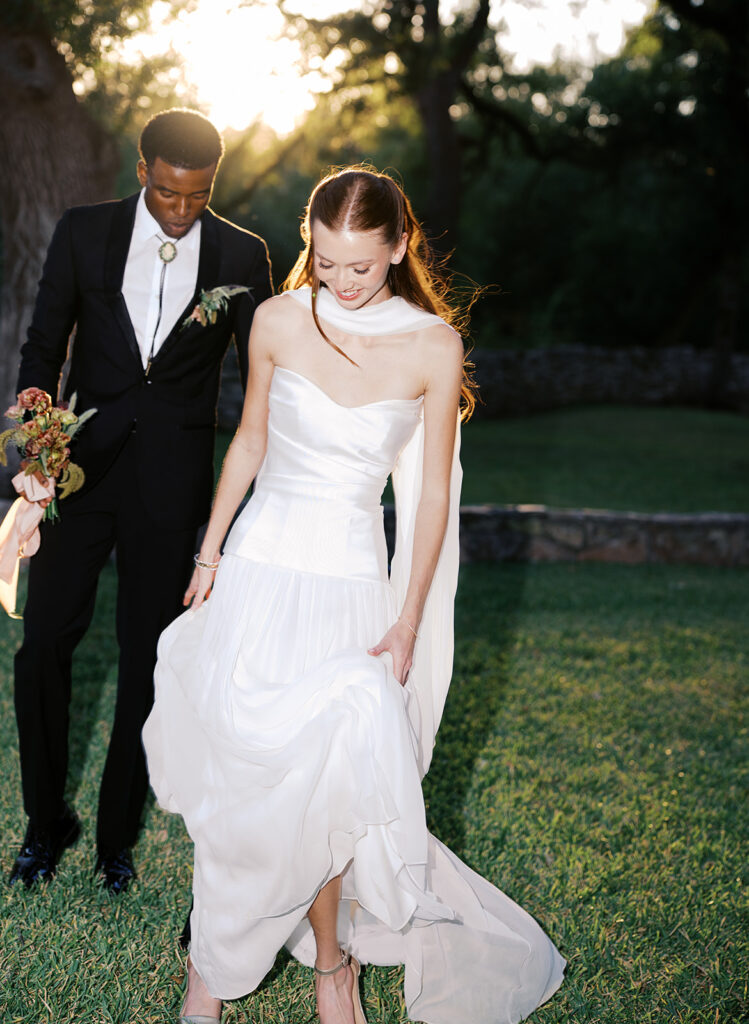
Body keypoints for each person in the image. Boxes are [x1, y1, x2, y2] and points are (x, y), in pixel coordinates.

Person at [143, 167, 564, 1024]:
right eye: (325, 261)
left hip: (349, 587)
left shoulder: (432, 345)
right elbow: (252, 439)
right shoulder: (274, 321)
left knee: (330, 782)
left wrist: (407, 618)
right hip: (260, 569)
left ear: (400, 247)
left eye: (360, 267)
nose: (340, 281)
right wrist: (212, 548)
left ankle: (334, 966)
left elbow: (435, 497)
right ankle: (209, 976)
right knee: (243, 776)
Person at [9, 108, 273, 894]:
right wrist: (35, 434)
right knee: (43, 645)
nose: (181, 210)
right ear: (141, 171)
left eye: (196, 197)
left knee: (146, 665)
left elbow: (265, 375)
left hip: (171, 487)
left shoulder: (242, 254)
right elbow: (41, 346)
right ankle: (44, 823)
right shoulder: (83, 231)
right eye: (166, 194)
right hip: (81, 477)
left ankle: (116, 840)